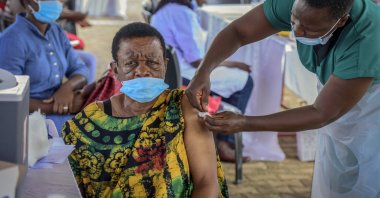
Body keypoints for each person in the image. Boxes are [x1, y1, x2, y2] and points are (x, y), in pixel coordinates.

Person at [186, 0, 380, 197]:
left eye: (309, 29)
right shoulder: (299, 4)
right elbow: (238, 31)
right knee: (335, 174)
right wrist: (203, 71)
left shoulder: (366, 40)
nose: (297, 32)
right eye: (294, 21)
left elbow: (321, 113)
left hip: (372, 104)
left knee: (367, 177)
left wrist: (245, 122)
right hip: (338, 94)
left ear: (341, 21)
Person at [62, 22, 228, 197]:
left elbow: (206, 183)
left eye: (152, 62)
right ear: (115, 69)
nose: (142, 71)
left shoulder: (184, 108)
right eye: (131, 63)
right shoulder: (86, 124)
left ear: (165, 66)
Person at [151, 0, 253, 162]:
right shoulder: (181, 13)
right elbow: (197, 61)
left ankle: (215, 135)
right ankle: (226, 142)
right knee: (245, 80)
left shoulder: (165, 9)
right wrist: (233, 63)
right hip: (184, 75)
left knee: (230, 79)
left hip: (170, 74)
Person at [0, 0, 89, 132]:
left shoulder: (56, 30)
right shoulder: (12, 40)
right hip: (29, 123)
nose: (55, 3)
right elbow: (9, 99)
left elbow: (81, 70)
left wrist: (67, 87)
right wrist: (59, 107)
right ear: (28, 2)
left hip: (61, 113)